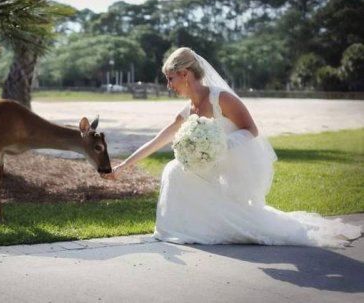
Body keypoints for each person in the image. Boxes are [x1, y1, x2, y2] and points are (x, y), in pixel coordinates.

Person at [102, 47, 362, 248]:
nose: (169, 86)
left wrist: (220, 145)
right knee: (174, 169)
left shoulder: (221, 98)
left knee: (175, 171)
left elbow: (251, 130)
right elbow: (159, 139)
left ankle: (203, 229)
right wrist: (125, 165)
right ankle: (184, 230)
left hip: (227, 166)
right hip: (207, 167)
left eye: (171, 79)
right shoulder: (189, 108)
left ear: (185, 74)